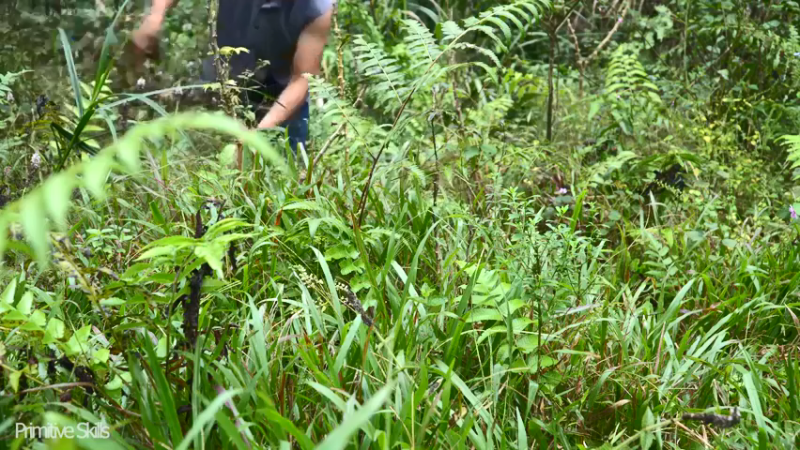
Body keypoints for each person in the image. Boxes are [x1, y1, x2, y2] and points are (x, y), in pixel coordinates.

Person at [132, 0, 333, 158]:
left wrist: (257, 136)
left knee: (283, 178)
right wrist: (155, 17)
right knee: (204, 168)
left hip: (284, 103)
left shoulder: (317, 6)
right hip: (222, 89)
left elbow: (302, 79)